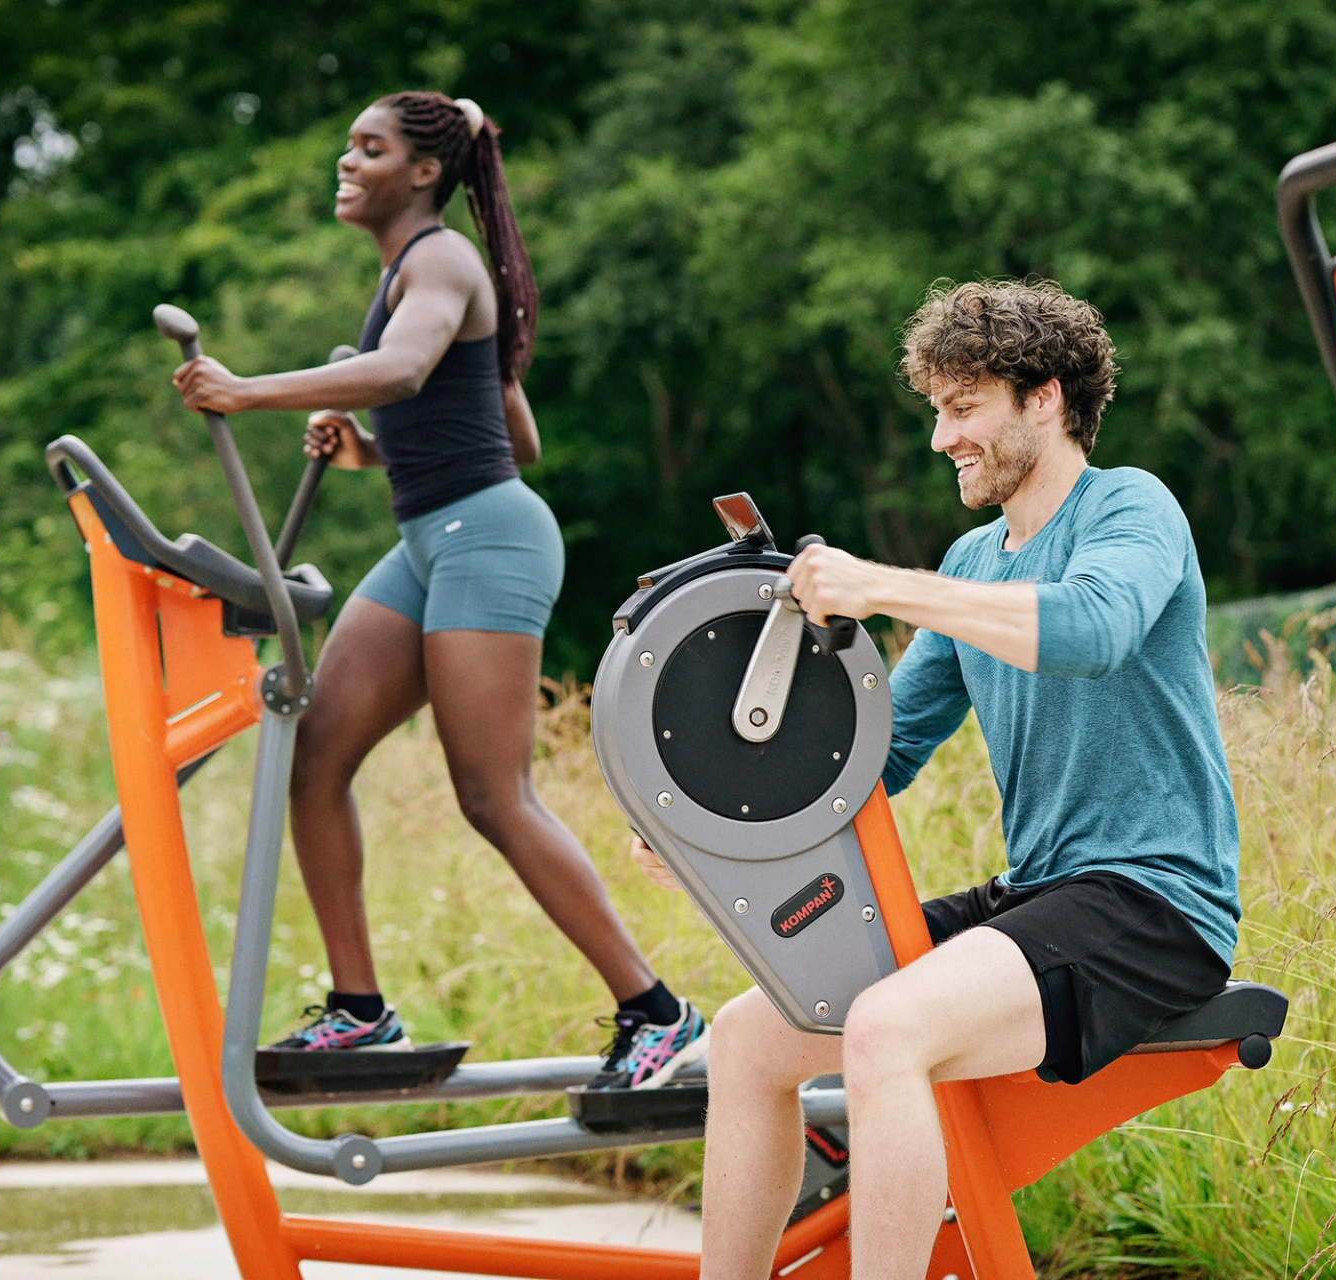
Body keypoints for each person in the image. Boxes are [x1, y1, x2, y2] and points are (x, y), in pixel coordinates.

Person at [630, 278, 1242, 1276]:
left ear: (1042, 396)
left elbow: (1090, 628)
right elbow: (876, 758)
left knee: (885, 1028)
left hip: (1154, 901)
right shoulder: (974, 558)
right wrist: (711, 826)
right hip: (1041, 893)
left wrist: (881, 584)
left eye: (963, 409)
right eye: (936, 411)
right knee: (748, 1037)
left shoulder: (1130, 506)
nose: (940, 437)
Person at [172, 91, 704, 1091]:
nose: (346, 160)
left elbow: (410, 368)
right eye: (347, 145)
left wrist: (246, 390)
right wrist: (372, 447)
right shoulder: (416, 273)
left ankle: (658, 1012)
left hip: (489, 541)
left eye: (367, 147)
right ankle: (360, 1010)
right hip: (430, 541)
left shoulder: (442, 261)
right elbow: (515, 428)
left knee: (491, 793)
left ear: (422, 172)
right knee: (314, 755)